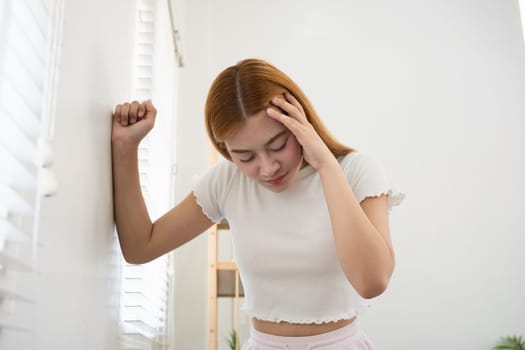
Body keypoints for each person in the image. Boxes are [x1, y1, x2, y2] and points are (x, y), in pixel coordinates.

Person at [112, 58, 404, 349]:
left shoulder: (355, 171)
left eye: (278, 145)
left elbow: (372, 281)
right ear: (225, 150)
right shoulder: (227, 181)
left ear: (300, 122)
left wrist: (326, 165)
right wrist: (126, 148)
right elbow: (141, 247)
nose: (267, 168)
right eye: (245, 157)